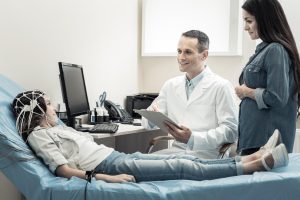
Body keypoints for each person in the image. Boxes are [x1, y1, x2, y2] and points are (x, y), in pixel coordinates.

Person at [11, 90, 288, 183]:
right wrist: (107, 178)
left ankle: (252, 155)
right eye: (47, 103)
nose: (52, 106)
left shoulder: (54, 128)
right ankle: (255, 165)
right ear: (35, 110)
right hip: (107, 166)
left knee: (183, 156)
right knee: (181, 167)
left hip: (114, 157)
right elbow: (61, 169)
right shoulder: (38, 135)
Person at [142, 30, 238, 159]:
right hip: (175, 152)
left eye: (188, 52)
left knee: (138, 167)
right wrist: (152, 116)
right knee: (132, 161)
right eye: (179, 51)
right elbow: (147, 124)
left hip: (206, 155)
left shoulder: (221, 86)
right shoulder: (171, 85)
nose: (181, 57)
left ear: (204, 55)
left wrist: (193, 138)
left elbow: (231, 131)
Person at [235, 0, 300, 155]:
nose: (245, 27)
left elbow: (276, 97)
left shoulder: (275, 50)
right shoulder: (264, 50)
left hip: (265, 142)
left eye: (249, 21)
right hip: (255, 138)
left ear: (265, 19)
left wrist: (246, 92)